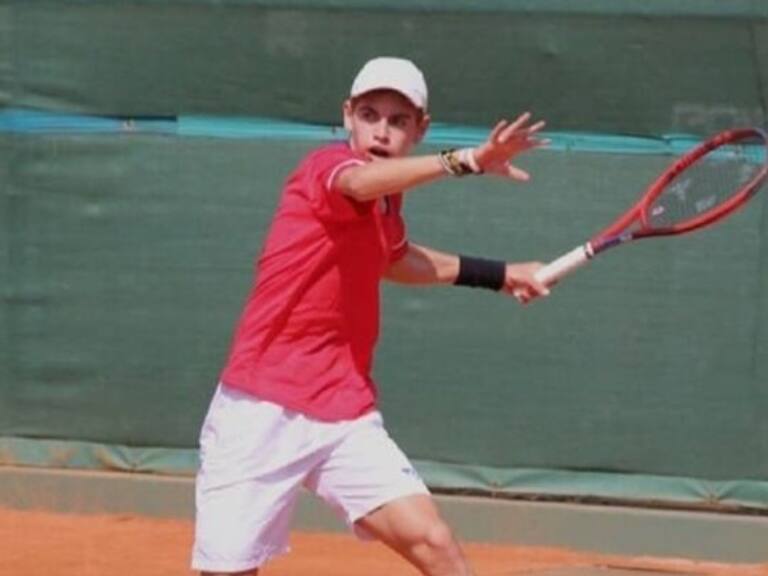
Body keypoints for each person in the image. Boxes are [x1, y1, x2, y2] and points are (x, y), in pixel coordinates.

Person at [192, 56, 549, 576]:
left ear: (420, 129)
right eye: (369, 114)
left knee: (433, 541)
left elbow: (396, 259)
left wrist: (500, 273)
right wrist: (467, 159)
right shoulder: (326, 169)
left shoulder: (389, 203)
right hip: (261, 409)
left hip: (343, 409)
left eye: (399, 120)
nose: (381, 131)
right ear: (347, 116)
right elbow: (359, 185)